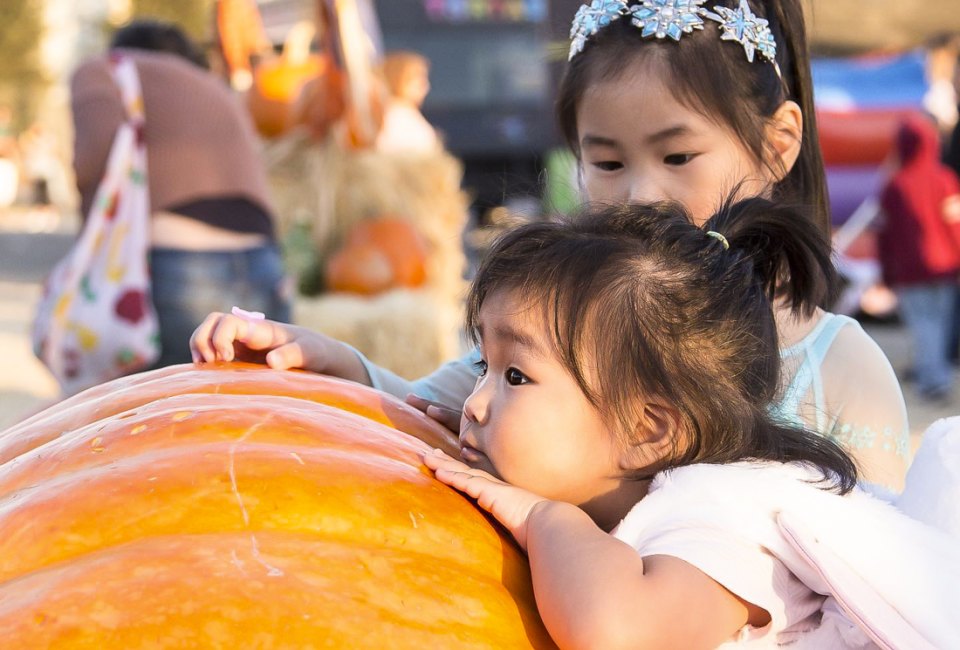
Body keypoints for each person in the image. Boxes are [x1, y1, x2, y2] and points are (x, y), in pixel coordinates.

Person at [190, 0, 909, 493]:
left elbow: (879, 584)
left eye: (678, 158)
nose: (640, 196)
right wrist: (332, 363)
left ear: (779, 142)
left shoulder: (840, 369)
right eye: (608, 162)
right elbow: (428, 411)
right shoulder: (550, 323)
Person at [422, 200, 959, 649]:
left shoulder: (723, 517)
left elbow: (616, 632)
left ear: (647, 432)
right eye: (481, 368)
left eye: (514, 375)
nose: (474, 404)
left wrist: (543, 517)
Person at [70, 19, 291, 369]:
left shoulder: (103, 69)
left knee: (167, 413)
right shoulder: (213, 87)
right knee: (244, 407)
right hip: (264, 262)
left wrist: (89, 244)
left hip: (181, 260)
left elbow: (94, 155)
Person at [877, 114, 960, 401]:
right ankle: (935, 377)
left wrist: (886, 272)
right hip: (946, 268)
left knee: (924, 325)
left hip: (910, 272)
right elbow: (955, 226)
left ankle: (933, 380)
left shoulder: (894, 187)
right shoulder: (946, 180)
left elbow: (885, 235)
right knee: (941, 323)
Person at [374, 50, 440, 154]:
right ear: (397, 78)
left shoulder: (405, 114)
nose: (425, 86)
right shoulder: (393, 118)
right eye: (417, 78)